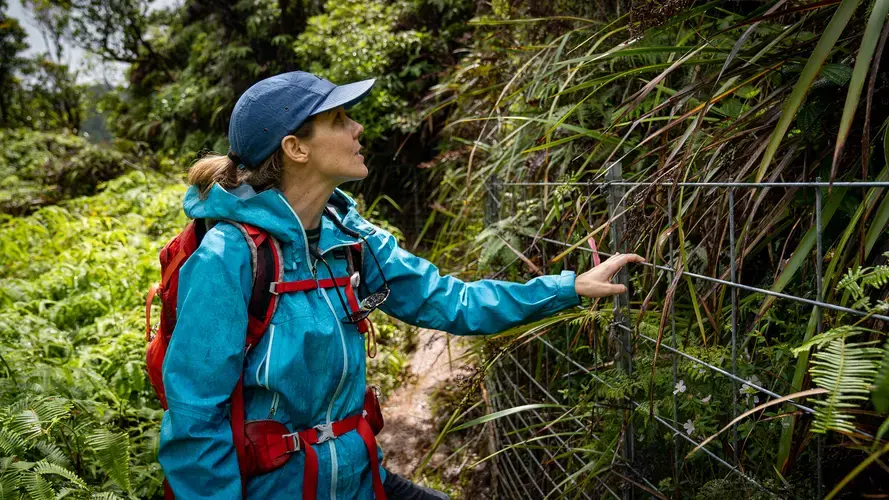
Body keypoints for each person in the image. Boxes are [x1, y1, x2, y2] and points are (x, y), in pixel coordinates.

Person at [157, 71, 645, 500]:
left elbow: (447, 300)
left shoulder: (349, 237)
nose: (357, 128)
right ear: (295, 148)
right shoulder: (229, 256)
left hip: (358, 481)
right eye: (340, 119)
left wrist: (566, 288)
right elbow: (195, 422)